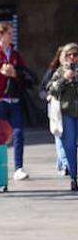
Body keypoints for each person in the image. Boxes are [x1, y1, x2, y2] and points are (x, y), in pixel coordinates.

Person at [0, 22, 30, 180]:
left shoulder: (16, 55)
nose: (11, 36)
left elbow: (24, 75)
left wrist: (14, 74)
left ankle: (18, 167)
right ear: (1, 35)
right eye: (9, 33)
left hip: (14, 100)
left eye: (11, 33)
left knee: (18, 133)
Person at [46, 43, 78, 192]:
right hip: (67, 113)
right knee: (69, 146)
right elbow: (50, 89)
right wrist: (64, 79)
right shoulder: (60, 72)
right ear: (64, 57)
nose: (72, 58)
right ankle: (74, 177)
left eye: (75, 55)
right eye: (69, 55)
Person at [42, 46, 68, 176]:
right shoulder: (53, 71)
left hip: (69, 107)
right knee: (59, 134)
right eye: (67, 55)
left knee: (68, 136)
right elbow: (43, 88)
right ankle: (65, 164)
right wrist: (49, 96)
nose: (70, 58)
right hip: (55, 106)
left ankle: (61, 163)